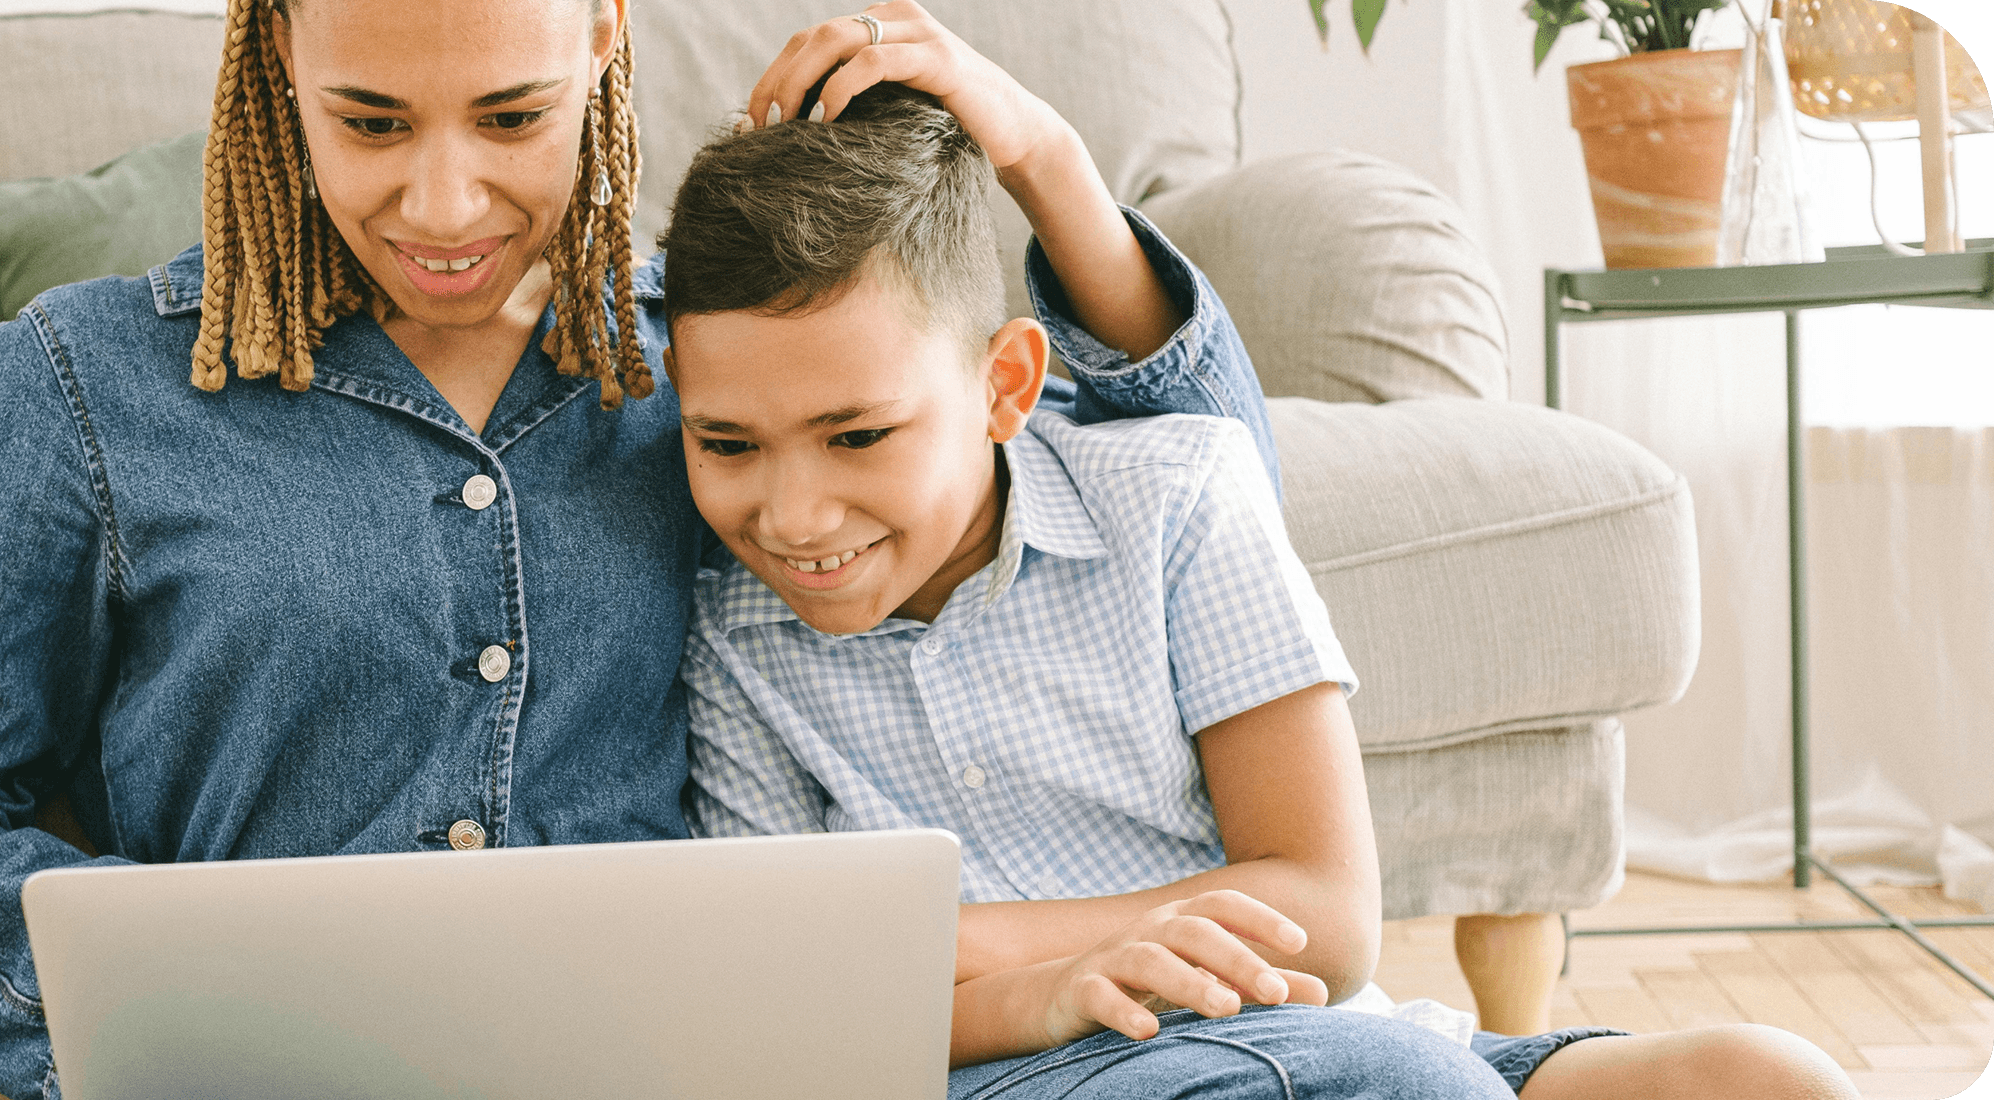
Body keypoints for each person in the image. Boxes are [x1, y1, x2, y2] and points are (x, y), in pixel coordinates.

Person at [0, 2, 1288, 1098]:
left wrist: (1038, 155)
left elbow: (1202, 479)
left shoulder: (707, 370)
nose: (444, 204)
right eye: (369, 121)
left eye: (512, 117)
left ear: (603, 45)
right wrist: (153, 1034)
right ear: (272, 58)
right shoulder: (80, 389)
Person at [659, 66, 1861, 1100]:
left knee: (1766, 1074)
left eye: (857, 435)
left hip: (1328, 1041)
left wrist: (962, 942)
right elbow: (801, 1011)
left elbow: (1330, 922)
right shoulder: (726, 630)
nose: (794, 514)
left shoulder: (1178, 496)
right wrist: (1034, 992)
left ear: (1005, 386)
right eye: (726, 444)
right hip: (1014, 1065)